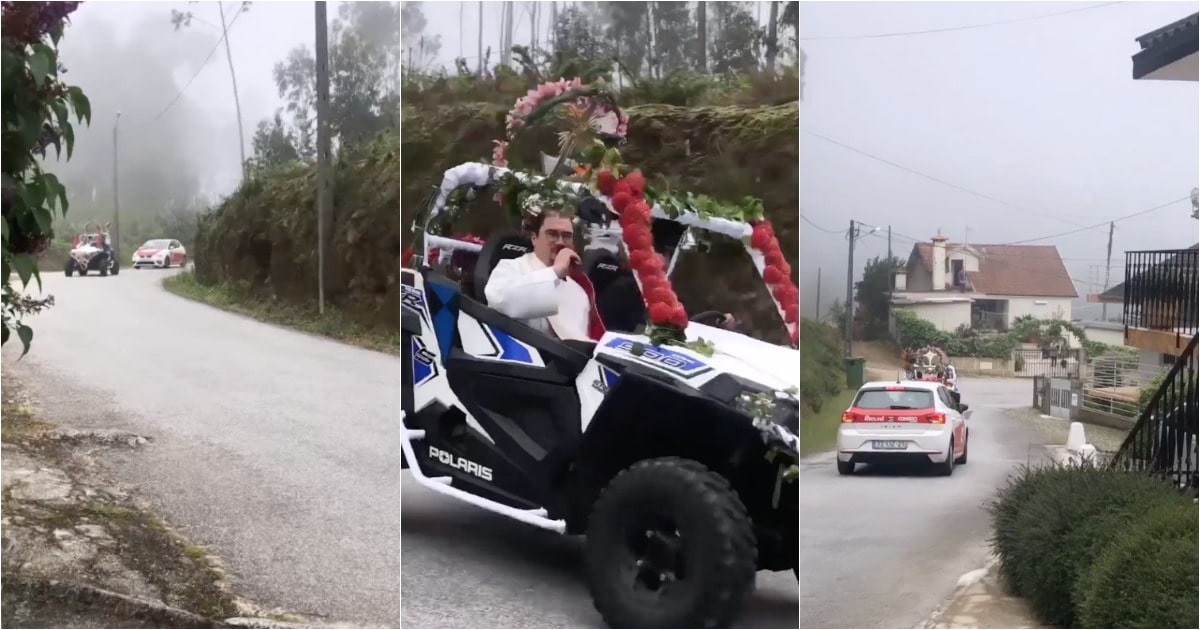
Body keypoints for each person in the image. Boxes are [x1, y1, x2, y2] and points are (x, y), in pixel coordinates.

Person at [484, 208, 605, 342]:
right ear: (534, 238)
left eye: (566, 236)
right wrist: (555, 271)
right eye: (552, 234)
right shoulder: (511, 268)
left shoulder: (579, 291)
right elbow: (500, 300)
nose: (560, 242)